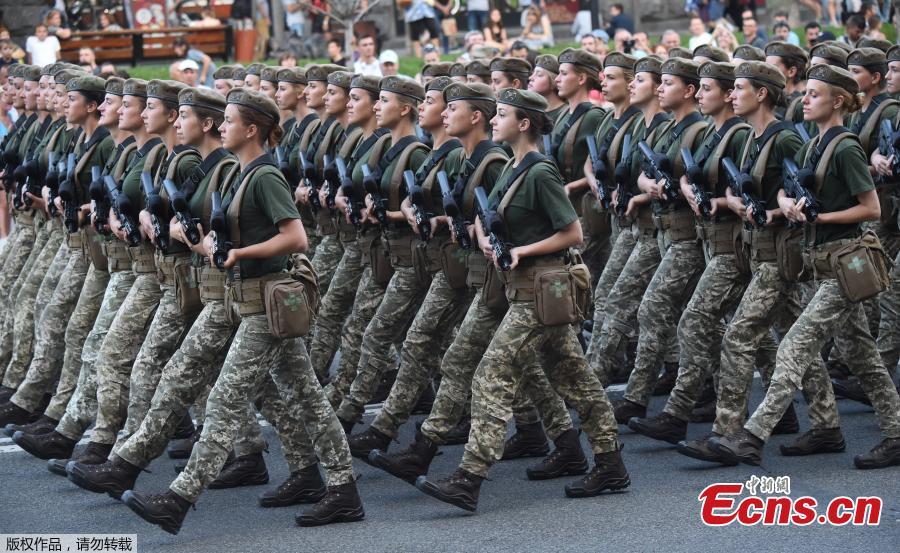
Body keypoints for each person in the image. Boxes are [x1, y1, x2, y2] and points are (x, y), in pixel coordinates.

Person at [120, 87, 364, 533]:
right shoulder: (241, 173)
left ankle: (179, 497)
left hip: (267, 302)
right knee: (307, 396)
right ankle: (343, 489)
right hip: (249, 299)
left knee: (225, 399)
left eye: (230, 120)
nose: (224, 126)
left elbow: (296, 238)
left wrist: (241, 253)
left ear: (251, 130)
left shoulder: (265, 175)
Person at [415, 87, 630, 511]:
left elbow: (574, 234)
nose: (494, 121)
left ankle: (470, 476)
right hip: (524, 289)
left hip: (542, 289)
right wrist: (487, 238)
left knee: (491, 373)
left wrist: (521, 251)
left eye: (502, 115)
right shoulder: (513, 168)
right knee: (573, 376)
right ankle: (610, 462)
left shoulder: (539, 172)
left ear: (525, 124)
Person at [711, 64, 900, 471]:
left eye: (815, 94)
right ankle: (896, 433)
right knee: (862, 355)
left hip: (848, 261)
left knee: (795, 347)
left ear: (839, 101)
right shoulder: (812, 145)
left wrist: (818, 218)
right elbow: (787, 187)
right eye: (807, 92)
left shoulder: (845, 147)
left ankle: (752, 434)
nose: (805, 100)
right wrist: (785, 203)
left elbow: (872, 207)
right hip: (823, 264)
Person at [626, 60, 752, 444]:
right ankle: (723, 406)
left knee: (697, 320)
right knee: (736, 331)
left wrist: (719, 200)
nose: (701, 94)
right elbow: (679, 172)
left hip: (727, 244)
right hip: (705, 240)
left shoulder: (737, 134)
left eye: (707, 88)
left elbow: (746, 190)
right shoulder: (710, 133)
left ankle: (675, 409)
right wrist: (673, 185)